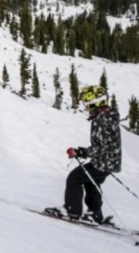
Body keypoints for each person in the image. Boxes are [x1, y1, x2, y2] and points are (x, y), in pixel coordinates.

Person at [45, 85, 122, 224]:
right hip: (107, 161)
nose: (85, 106)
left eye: (87, 102)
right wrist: (84, 152)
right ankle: (95, 214)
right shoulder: (105, 117)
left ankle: (72, 211)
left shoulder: (103, 120)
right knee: (92, 183)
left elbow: (106, 146)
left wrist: (83, 152)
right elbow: (105, 145)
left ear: (95, 102)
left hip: (104, 161)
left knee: (74, 178)